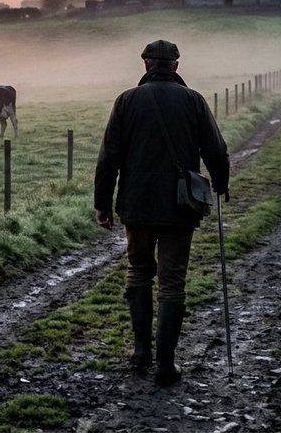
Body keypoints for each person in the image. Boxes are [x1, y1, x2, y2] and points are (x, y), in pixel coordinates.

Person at [93, 39, 229, 386]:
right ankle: (166, 365)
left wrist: (103, 204)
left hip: (136, 206)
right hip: (180, 207)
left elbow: (109, 157)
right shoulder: (194, 100)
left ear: (146, 66)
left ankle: (141, 352)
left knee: (139, 272)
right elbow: (215, 148)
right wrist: (221, 183)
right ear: (177, 67)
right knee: (173, 282)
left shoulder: (126, 101)